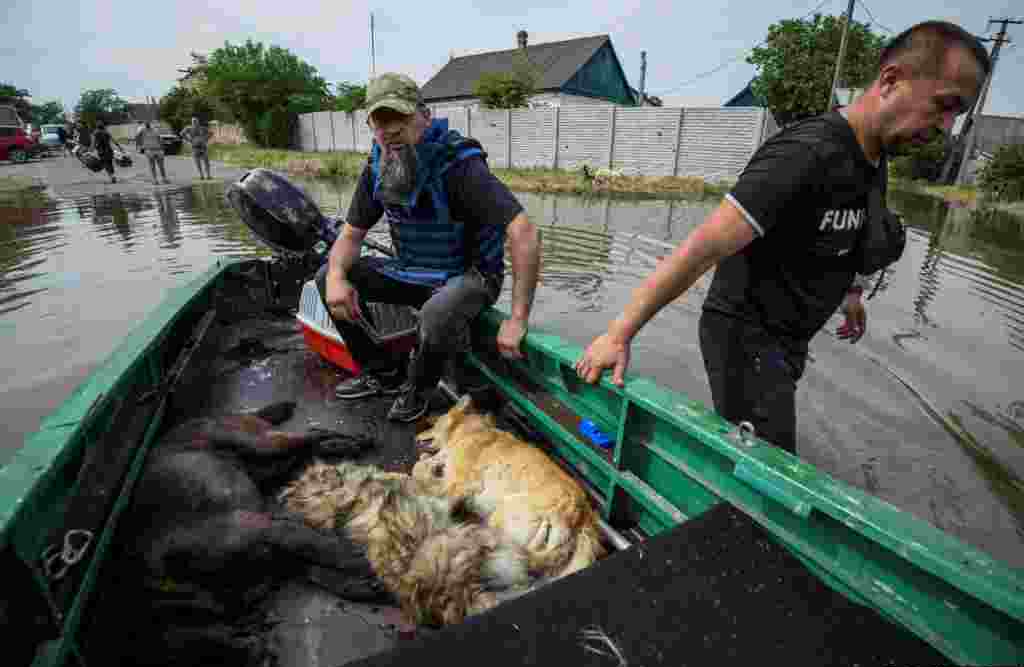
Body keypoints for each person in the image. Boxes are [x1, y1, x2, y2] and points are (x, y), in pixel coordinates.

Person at [574, 20, 990, 454]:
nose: (945, 126)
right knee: (770, 480)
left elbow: (844, 228)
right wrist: (618, 334)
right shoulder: (805, 153)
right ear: (890, 80)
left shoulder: (873, 155)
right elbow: (700, 250)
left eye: (955, 115)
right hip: (746, 336)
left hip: (789, 340)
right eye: (943, 106)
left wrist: (851, 291)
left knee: (759, 456)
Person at [318, 72, 541, 422]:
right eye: (380, 120)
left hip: (471, 275)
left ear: (424, 115)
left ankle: (417, 390)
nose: (390, 130)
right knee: (326, 277)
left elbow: (523, 232)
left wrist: (517, 318)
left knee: (437, 313)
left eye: (400, 118)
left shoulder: (459, 165)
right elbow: (350, 236)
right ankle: (383, 375)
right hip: (416, 271)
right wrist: (335, 275)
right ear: (370, 124)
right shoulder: (378, 165)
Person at [136, 120, 169, 184]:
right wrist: (140, 145)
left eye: (148, 123)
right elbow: (137, 137)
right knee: (152, 165)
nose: (147, 124)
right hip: (149, 150)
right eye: (146, 124)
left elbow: (159, 138)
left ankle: (163, 179)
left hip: (157, 149)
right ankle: (155, 179)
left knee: (161, 166)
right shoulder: (142, 131)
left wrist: (162, 147)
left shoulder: (155, 130)